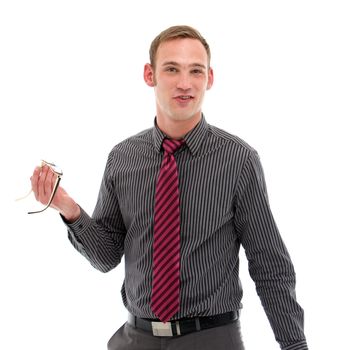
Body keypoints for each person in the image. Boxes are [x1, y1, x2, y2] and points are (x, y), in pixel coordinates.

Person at [30, 25, 308, 350]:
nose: (185, 83)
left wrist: (294, 345)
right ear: (150, 75)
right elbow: (106, 257)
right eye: (172, 69)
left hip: (211, 339)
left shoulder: (238, 160)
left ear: (210, 78)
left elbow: (269, 263)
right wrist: (69, 209)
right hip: (135, 339)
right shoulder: (122, 158)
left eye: (196, 71)